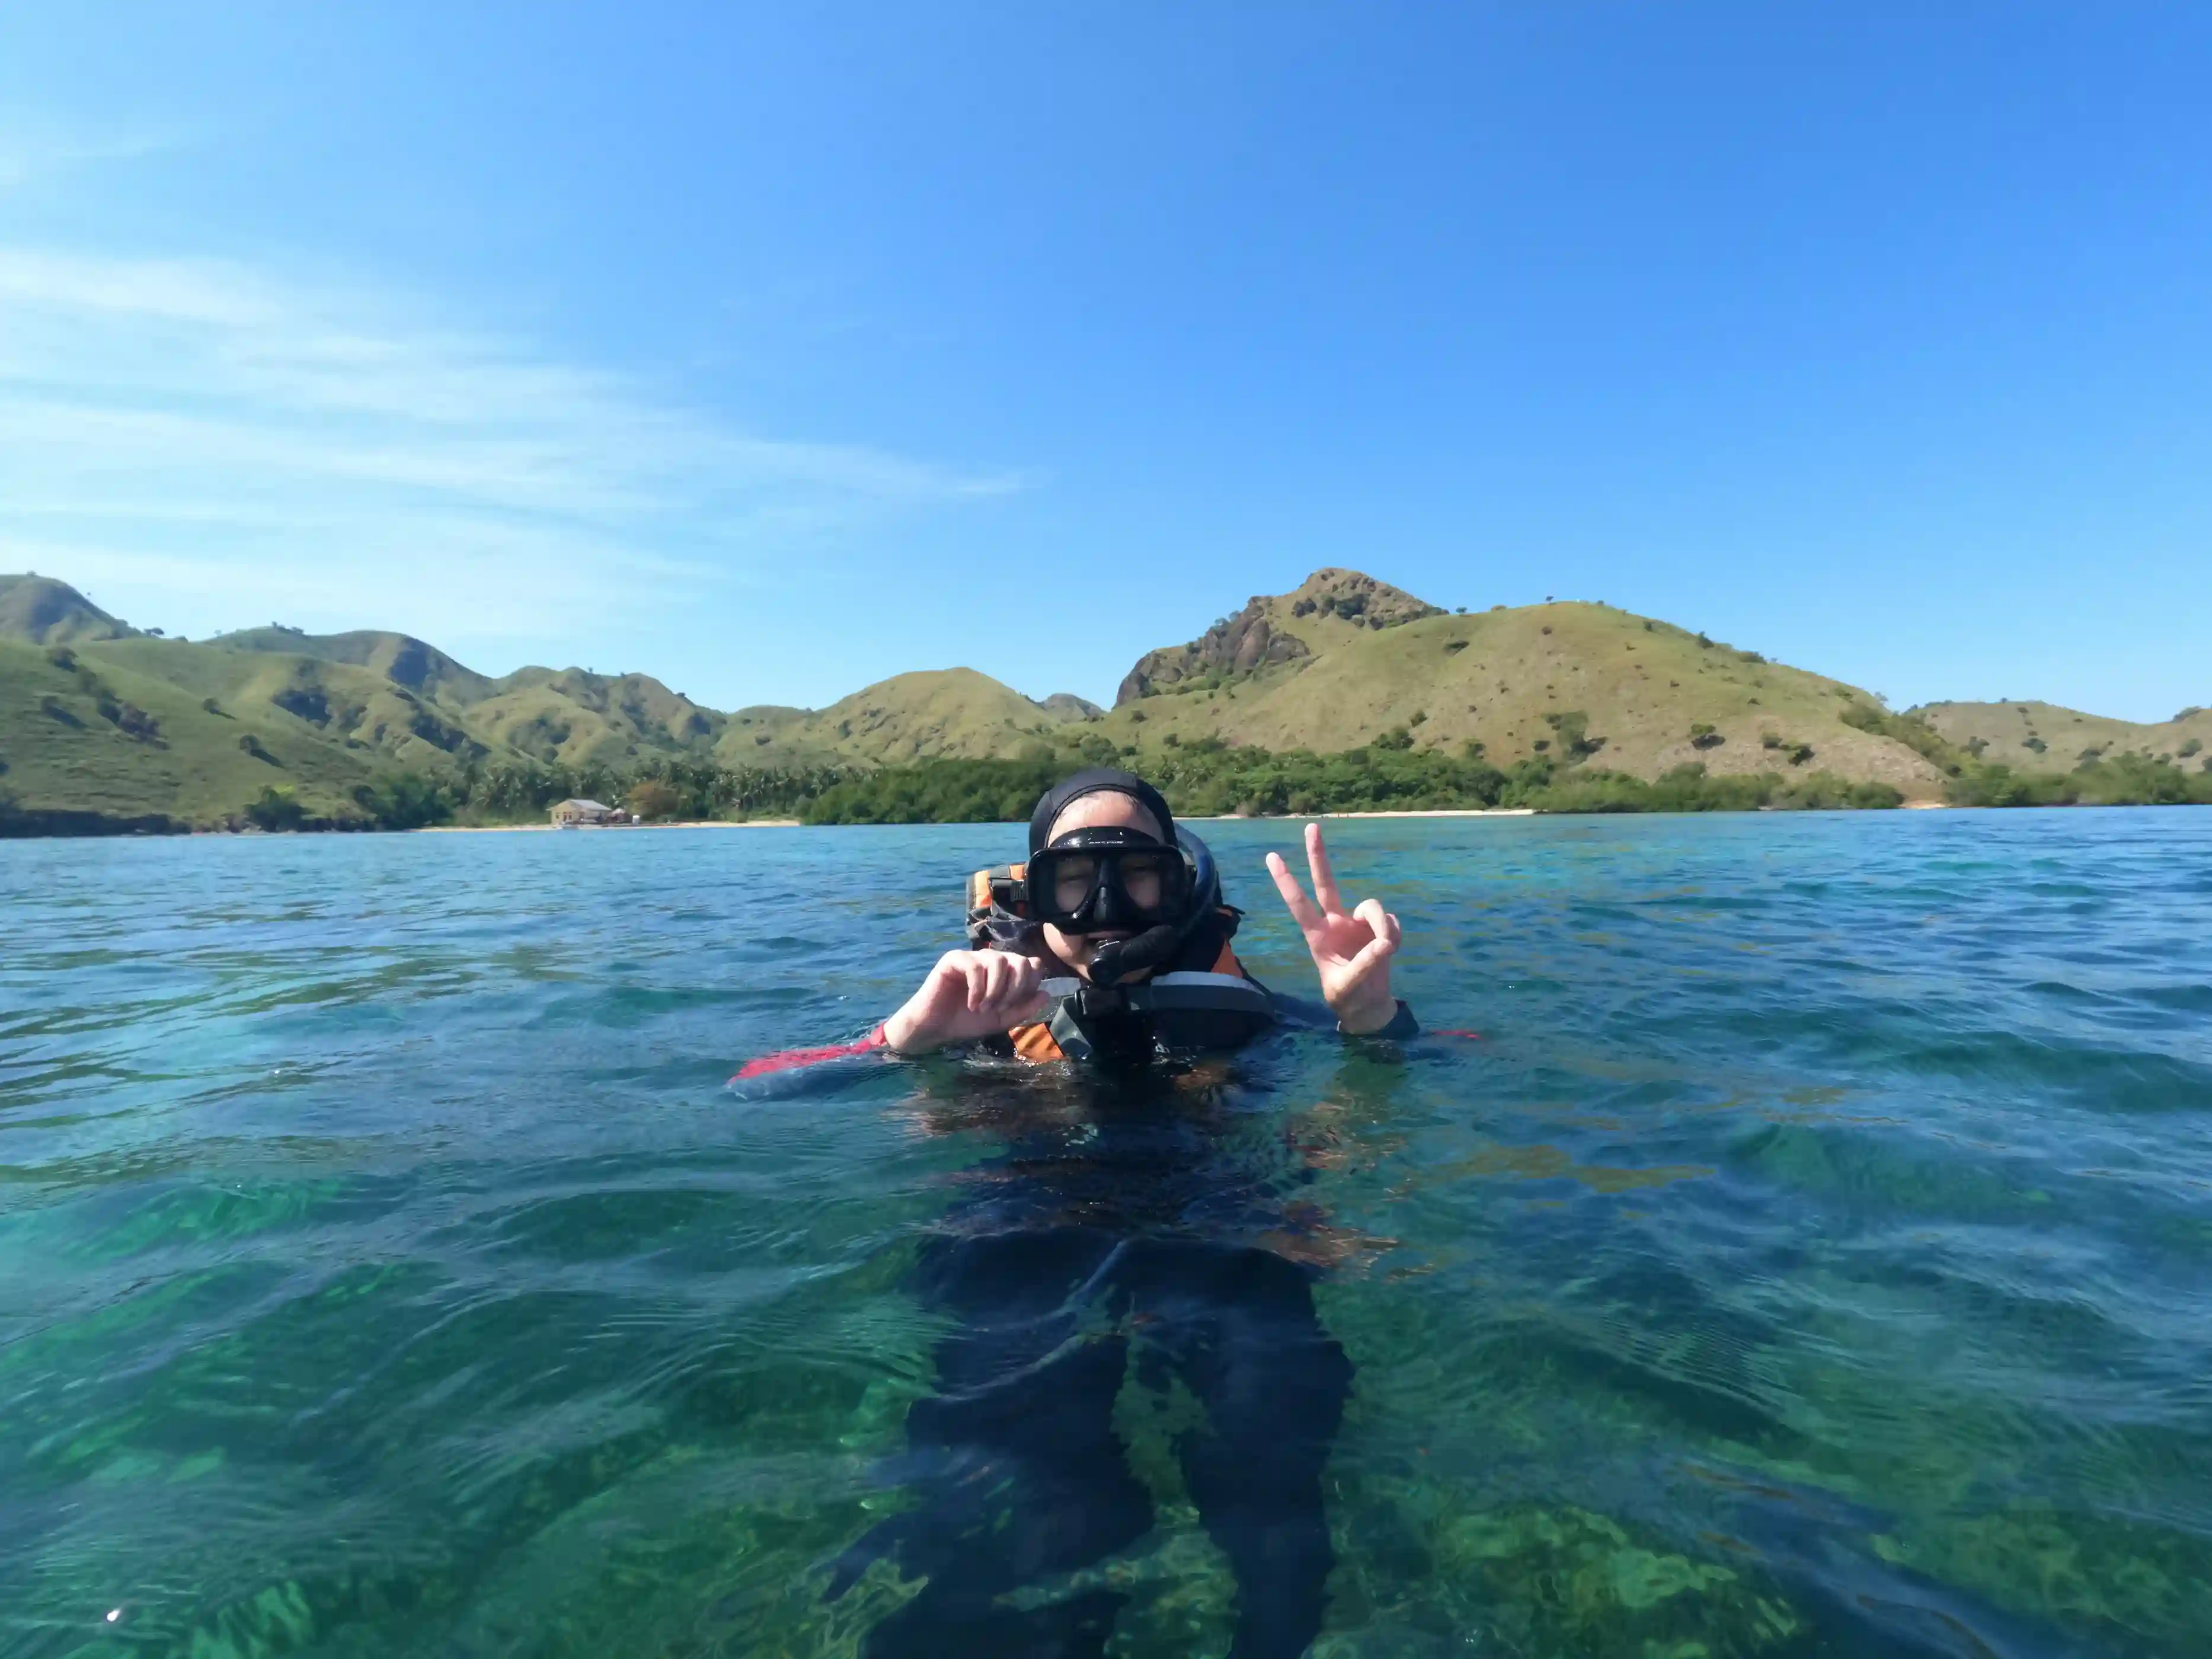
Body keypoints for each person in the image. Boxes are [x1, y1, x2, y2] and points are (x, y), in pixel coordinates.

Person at [807, 769, 1419, 1659]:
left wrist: (1372, 1022)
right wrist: (899, 1039)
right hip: (1026, 1228)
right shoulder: (979, 1009)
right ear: (1032, 892)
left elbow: (1444, 1059)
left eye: (1135, 873)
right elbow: (763, 1089)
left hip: (1218, 1225)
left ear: (1178, 881)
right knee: (1016, 1471)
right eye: (1072, 878)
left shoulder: (1241, 1015)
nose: (1104, 906)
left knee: (1273, 1439)